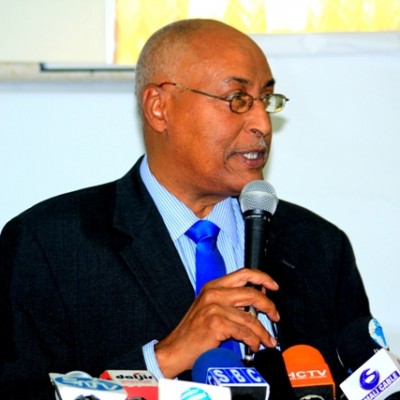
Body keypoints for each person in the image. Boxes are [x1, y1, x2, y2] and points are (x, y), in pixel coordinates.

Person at [0, 18, 371, 399]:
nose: (262, 122)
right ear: (159, 108)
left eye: (266, 100)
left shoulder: (319, 246)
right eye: (237, 99)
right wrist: (162, 359)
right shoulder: (50, 245)